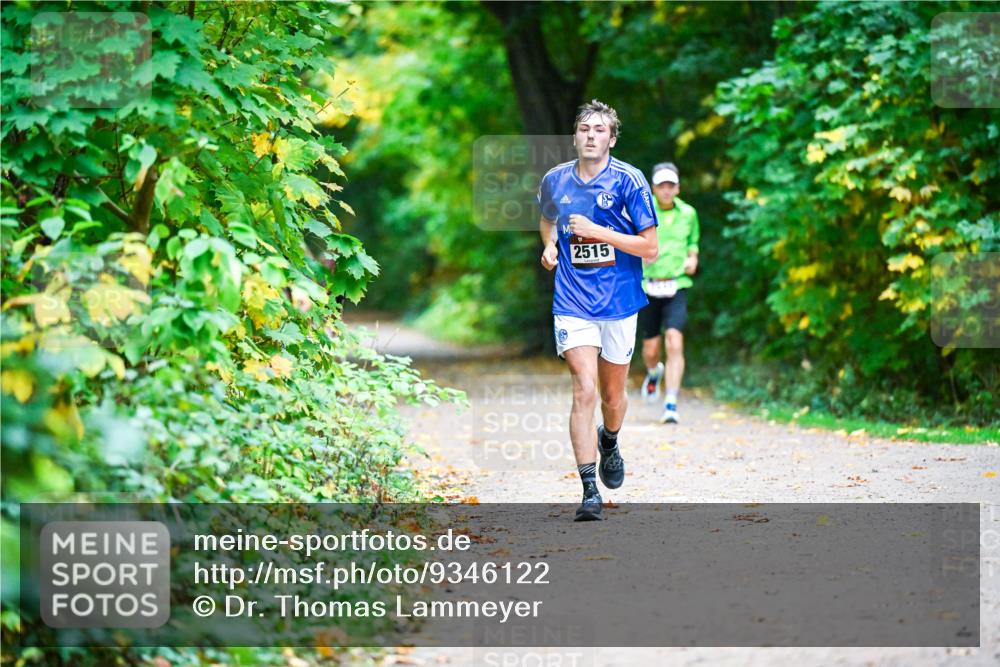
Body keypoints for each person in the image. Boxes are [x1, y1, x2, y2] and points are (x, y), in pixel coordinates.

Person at [537, 100, 659, 521]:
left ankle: (610, 439)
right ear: (575, 136)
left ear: (612, 138)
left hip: (620, 302)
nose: (591, 135)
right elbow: (549, 218)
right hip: (572, 301)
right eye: (584, 129)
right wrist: (550, 245)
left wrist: (599, 231)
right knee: (584, 388)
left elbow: (651, 248)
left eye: (599, 130)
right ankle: (589, 489)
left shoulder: (630, 181)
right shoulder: (555, 180)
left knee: (612, 397)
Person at [638, 162, 700, 424]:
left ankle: (671, 402)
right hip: (648, 285)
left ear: (678, 188)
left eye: (670, 185)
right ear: (653, 188)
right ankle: (653, 373)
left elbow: (692, 242)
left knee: (674, 341)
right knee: (651, 349)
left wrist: (693, 258)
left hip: (677, 284)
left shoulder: (689, 213)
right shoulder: (641, 209)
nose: (666, 190)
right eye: (661, 185)